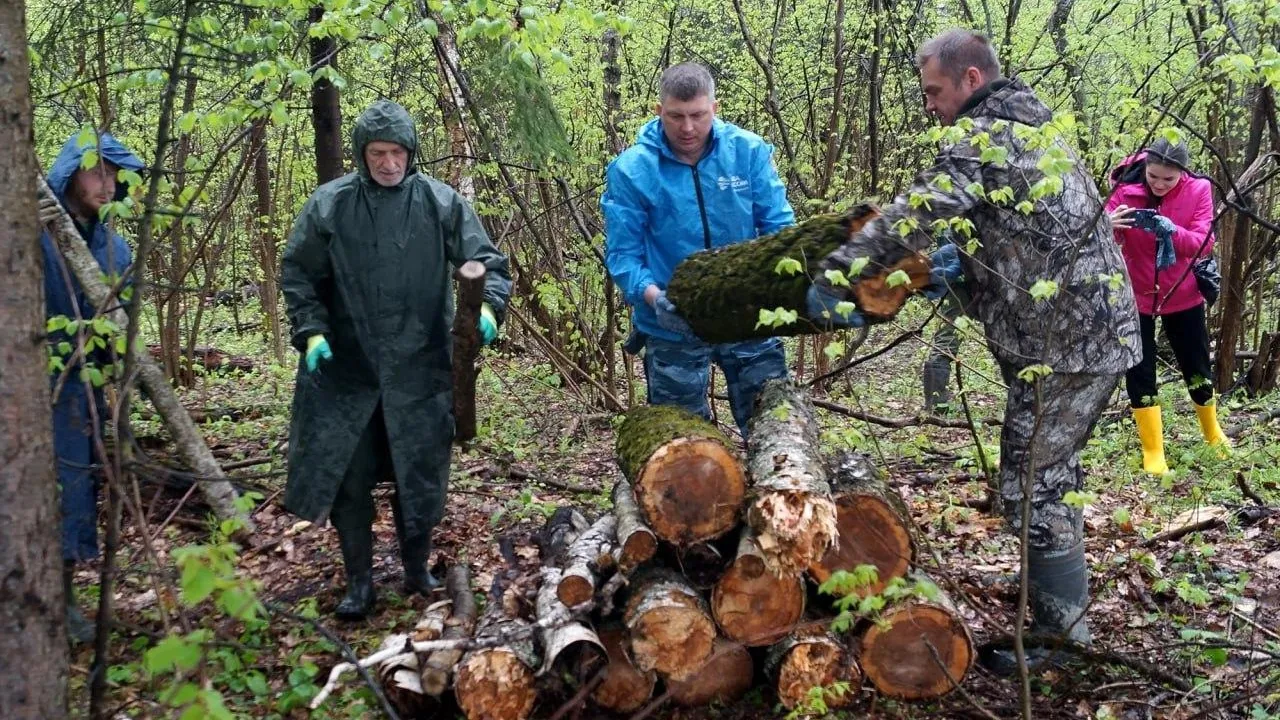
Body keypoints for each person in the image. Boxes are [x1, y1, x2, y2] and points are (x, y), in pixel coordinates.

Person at [808, 29, 1141, 669]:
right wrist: (957, 268)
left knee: (1029, 487)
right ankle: (1058, 617)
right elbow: (1019, 224)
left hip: (1069, 341)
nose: (930, 104)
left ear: (968, 79)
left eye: (934, 91)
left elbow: (924, 206)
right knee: (1048, 476)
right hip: (1078, 331)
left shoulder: (984, 133)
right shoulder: (1029, 126)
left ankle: (1062, 642)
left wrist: (840, 266)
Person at [281, 100, 511, 619]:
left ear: (412, 153)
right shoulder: (330, 206)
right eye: (377, 153)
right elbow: (298, 273)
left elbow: (489, 263)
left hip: (419, 365)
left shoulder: (440, 203)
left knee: (419, 469)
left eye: (397, 152)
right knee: (351, 476)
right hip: (347, 369)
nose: (388, 163)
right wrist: (310, 332)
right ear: (363, 156)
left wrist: (490, 310)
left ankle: (416, 569)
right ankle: (359, 583)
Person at [602, 62, 795, 438]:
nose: (687, 128)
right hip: (671, 324)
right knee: (685, 444)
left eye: (698, 115)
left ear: (715, 108)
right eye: (676, 116)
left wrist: (775, 286)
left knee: (774, 428)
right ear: (659, 111)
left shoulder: (748, 153)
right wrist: (653, 297)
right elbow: (623, 255)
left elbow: (780, 229)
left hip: (747, 316)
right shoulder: (632, 171)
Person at [38, 131, 146, 644]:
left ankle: (66, 601)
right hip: (35, 389)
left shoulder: (112, 246)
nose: (107, 184)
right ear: (70, 173)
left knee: (78, 488)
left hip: (86, 391)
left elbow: (122, 325)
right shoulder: (32, 234)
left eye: (114, 175)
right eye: (96, 172)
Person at [1107, 138, 1226, 475]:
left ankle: (1212, 432)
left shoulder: (1199, 190)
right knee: (1140, 369)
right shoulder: (1125, 187)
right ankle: (1153, 451)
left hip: (1183, 292)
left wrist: (1171, 231)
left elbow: (1203, 244)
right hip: (1136, 293)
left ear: (1182, 174)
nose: (1158, 184)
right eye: (1152, 176)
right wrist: (1108, 225)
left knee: (1196, 363)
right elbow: (1097, 230)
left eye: (1167, 179)